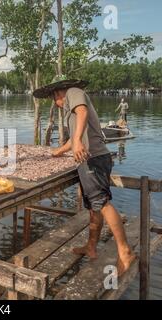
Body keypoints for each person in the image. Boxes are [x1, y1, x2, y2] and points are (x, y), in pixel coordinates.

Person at [33, 76, 136, 276]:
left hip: (94, 158)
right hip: (89, 159)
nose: (56, 104)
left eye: (54, 100)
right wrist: (59, 151)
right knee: (94, 206)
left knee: (102, 203)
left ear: (57, 93)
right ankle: (91, 246)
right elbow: (73, 138)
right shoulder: (72, 107)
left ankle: (125, 252)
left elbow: (82, 112)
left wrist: (78, 141)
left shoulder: (73, 93)